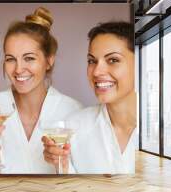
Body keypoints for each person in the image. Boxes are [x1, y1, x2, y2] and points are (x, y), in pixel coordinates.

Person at [0, 7, 83, 174]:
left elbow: (82, 187)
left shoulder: (74, 112)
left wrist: (62, 165)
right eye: (10, 59)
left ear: (49, 60)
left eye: (29, 58)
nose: (18, 69)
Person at [42, 21, 137, 174]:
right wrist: (62, 165)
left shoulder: (166, 134)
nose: (97, 72)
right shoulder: (73, 128)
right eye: (92, 61)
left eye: (113, 60)